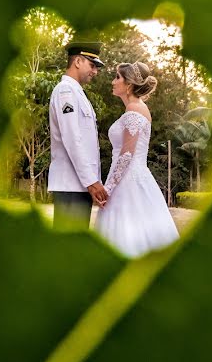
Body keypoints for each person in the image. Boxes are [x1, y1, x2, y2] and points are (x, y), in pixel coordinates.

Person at [94, 61, 180, 257]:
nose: (113, 81)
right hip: (131, 176)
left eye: (117, 77)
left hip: (127, 181)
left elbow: (126, 154)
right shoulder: (136, 107)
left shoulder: (134, 109)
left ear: (129, 84)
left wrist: (108, 189)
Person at [47, 41, 109, 231]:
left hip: (78, 184)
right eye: (92, 65)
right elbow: (72, 138)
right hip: (71, 184)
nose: (95, 72)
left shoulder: (77, 92)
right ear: (78, 61)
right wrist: (91, 181)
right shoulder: (66, 91)